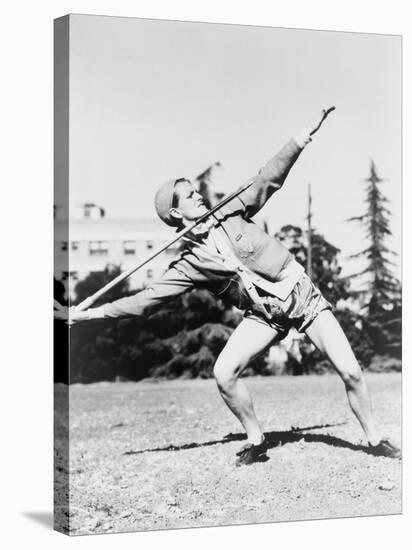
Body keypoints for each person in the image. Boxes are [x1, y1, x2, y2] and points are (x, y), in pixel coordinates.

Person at [56, 110, 401, 466]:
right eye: (190, 197)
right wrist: (87, 314)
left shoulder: (230, 209)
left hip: (301, 295)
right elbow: (146, 301)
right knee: (224, 373)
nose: (199, 197)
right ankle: (256, 438)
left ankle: (374, 438)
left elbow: (268, 178)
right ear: (176, 215)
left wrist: (302, 137)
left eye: (195, 191)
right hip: (265, 315)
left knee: (351, 371)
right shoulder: (189, 264)